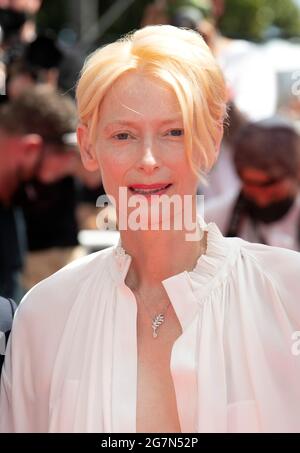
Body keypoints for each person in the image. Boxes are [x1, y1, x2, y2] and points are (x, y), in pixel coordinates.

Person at [0, 25, 300, 434]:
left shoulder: (289, 295)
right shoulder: (46, 314)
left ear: (211, 140)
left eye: (174, 132)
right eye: (123, 135)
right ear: (89, 147)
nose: (148, 159)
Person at [204, 119, 300, 250]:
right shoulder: (212, 219)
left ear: (296, 173)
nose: (262, 199)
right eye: (249, 183)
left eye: (269, 184)